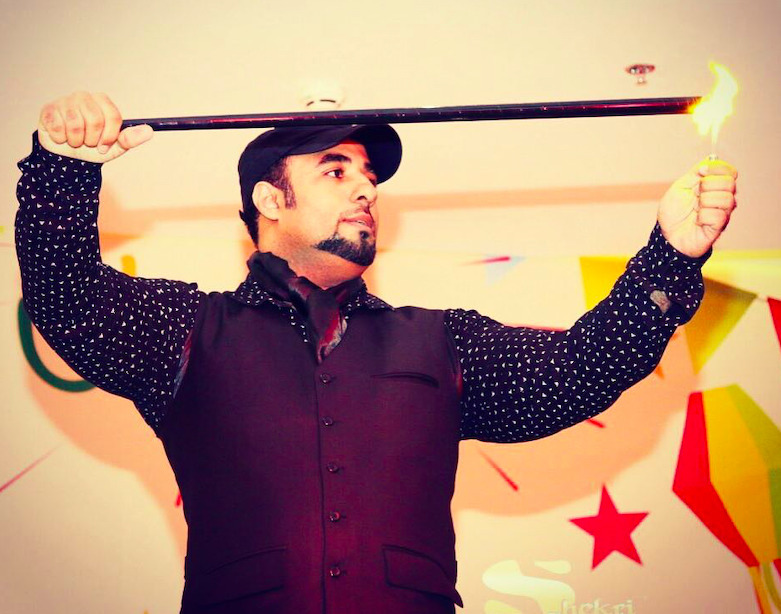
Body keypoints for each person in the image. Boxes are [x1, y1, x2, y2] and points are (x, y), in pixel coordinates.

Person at [15, 92, 737, 614]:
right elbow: (66, 293)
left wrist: (671, 257)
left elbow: (580, 369)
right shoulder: (187, 332)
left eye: (369, 178)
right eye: (336, 171)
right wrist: (63, 169)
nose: (366, 189)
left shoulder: (441, 341)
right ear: (270, 201)